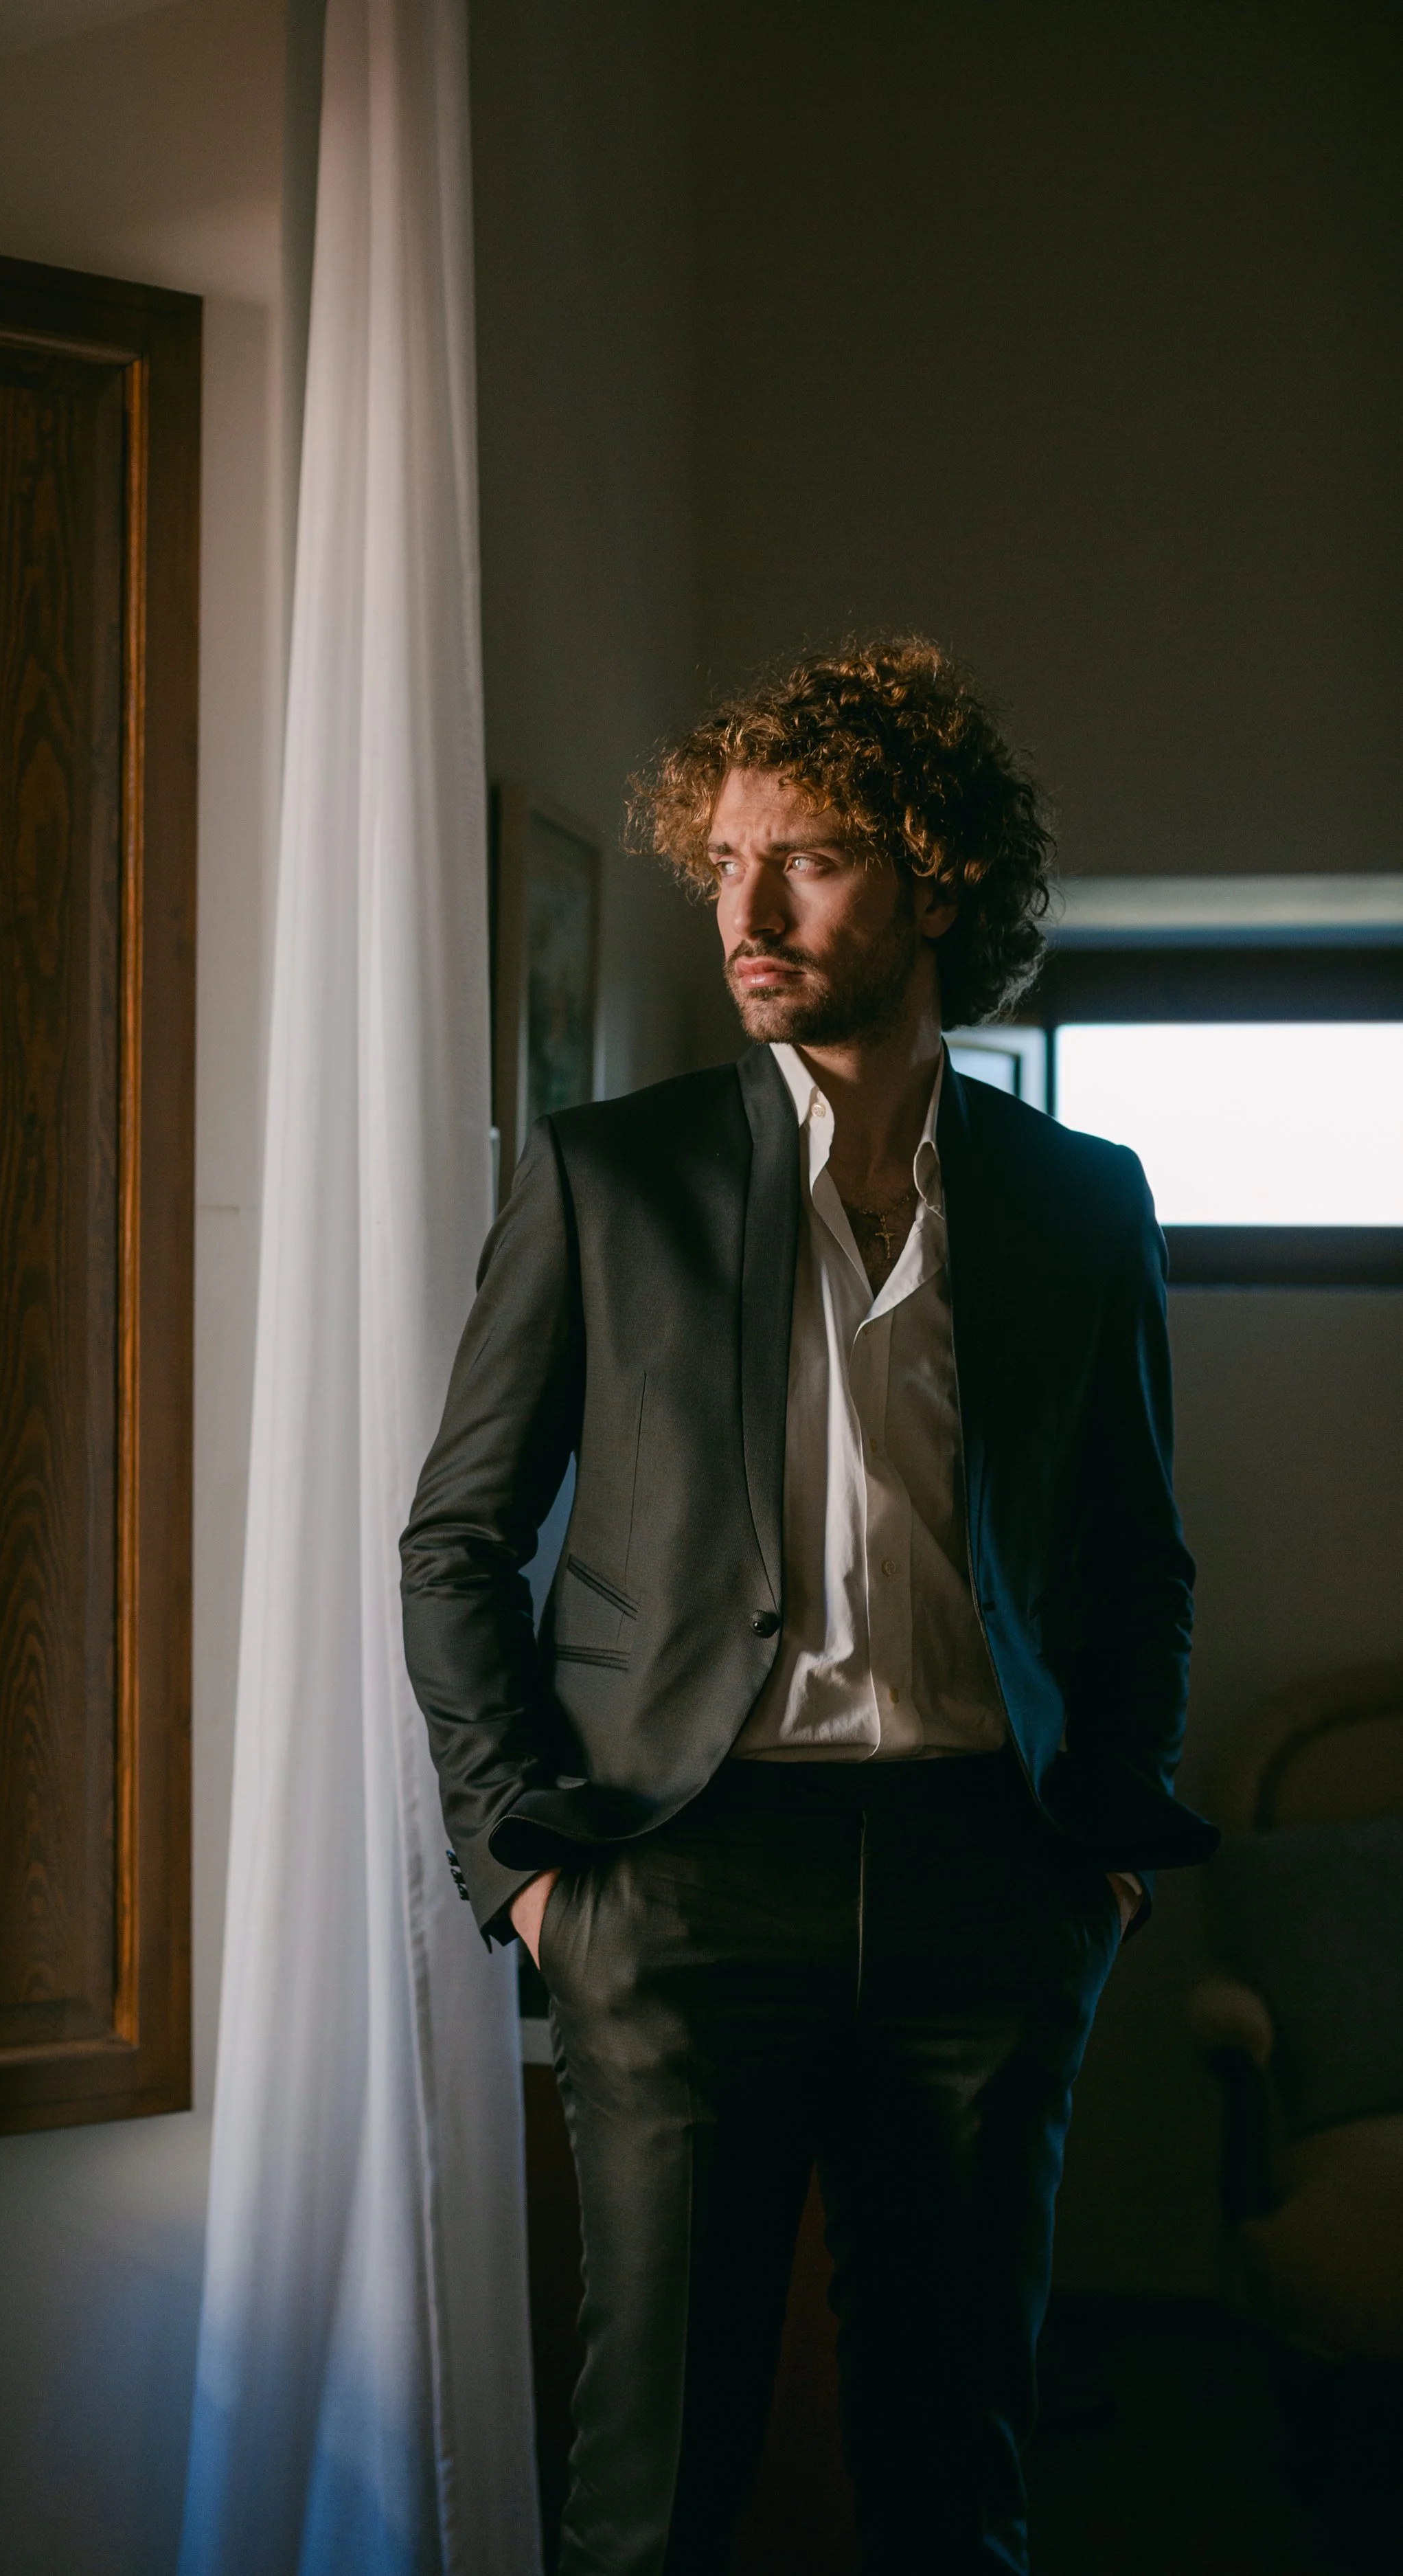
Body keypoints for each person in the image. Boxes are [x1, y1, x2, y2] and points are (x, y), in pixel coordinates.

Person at [400, 637, 1218, 2574]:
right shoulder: (611, 1178)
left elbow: (1136, 1557)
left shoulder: (1077, 1199)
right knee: (649, 2494)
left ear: (937, 877)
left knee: (954, 2485)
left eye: (814, 855)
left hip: (981, 1885)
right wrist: (521, 1863)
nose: (747, 910)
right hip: (680, 1884)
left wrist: (1093, 1861)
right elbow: (457, 1541)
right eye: (726, 859)